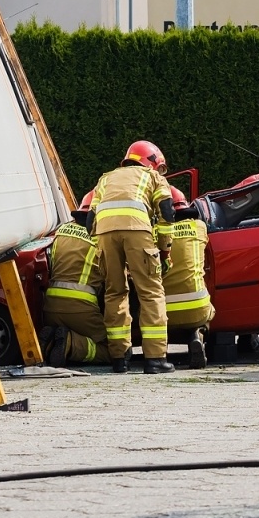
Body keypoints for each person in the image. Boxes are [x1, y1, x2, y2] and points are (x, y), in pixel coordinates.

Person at [90, 141, 177, 374]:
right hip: (138, 230)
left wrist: (101, 247)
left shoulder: (106, 178)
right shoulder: (153, 177)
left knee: (114, 292)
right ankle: (155, 359)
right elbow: (167, 214)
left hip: (104, 234)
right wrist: (165, 250)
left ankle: (119, 358)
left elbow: (90, 220)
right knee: (150, 292)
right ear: (151, 161)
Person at [38, 191, 109, 367]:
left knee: (61, 334)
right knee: (113, 350)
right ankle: (71, 343)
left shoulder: (61, 231)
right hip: (82, 308)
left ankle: (51, 344)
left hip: (51, 306)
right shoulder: (101, 237)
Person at [163, 187, 216, 368]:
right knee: (207, 312)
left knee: (159, 318)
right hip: (197, 304)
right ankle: (196, 336)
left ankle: (160, 350)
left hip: (163, 309)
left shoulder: (156, 232)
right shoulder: (199, 227)